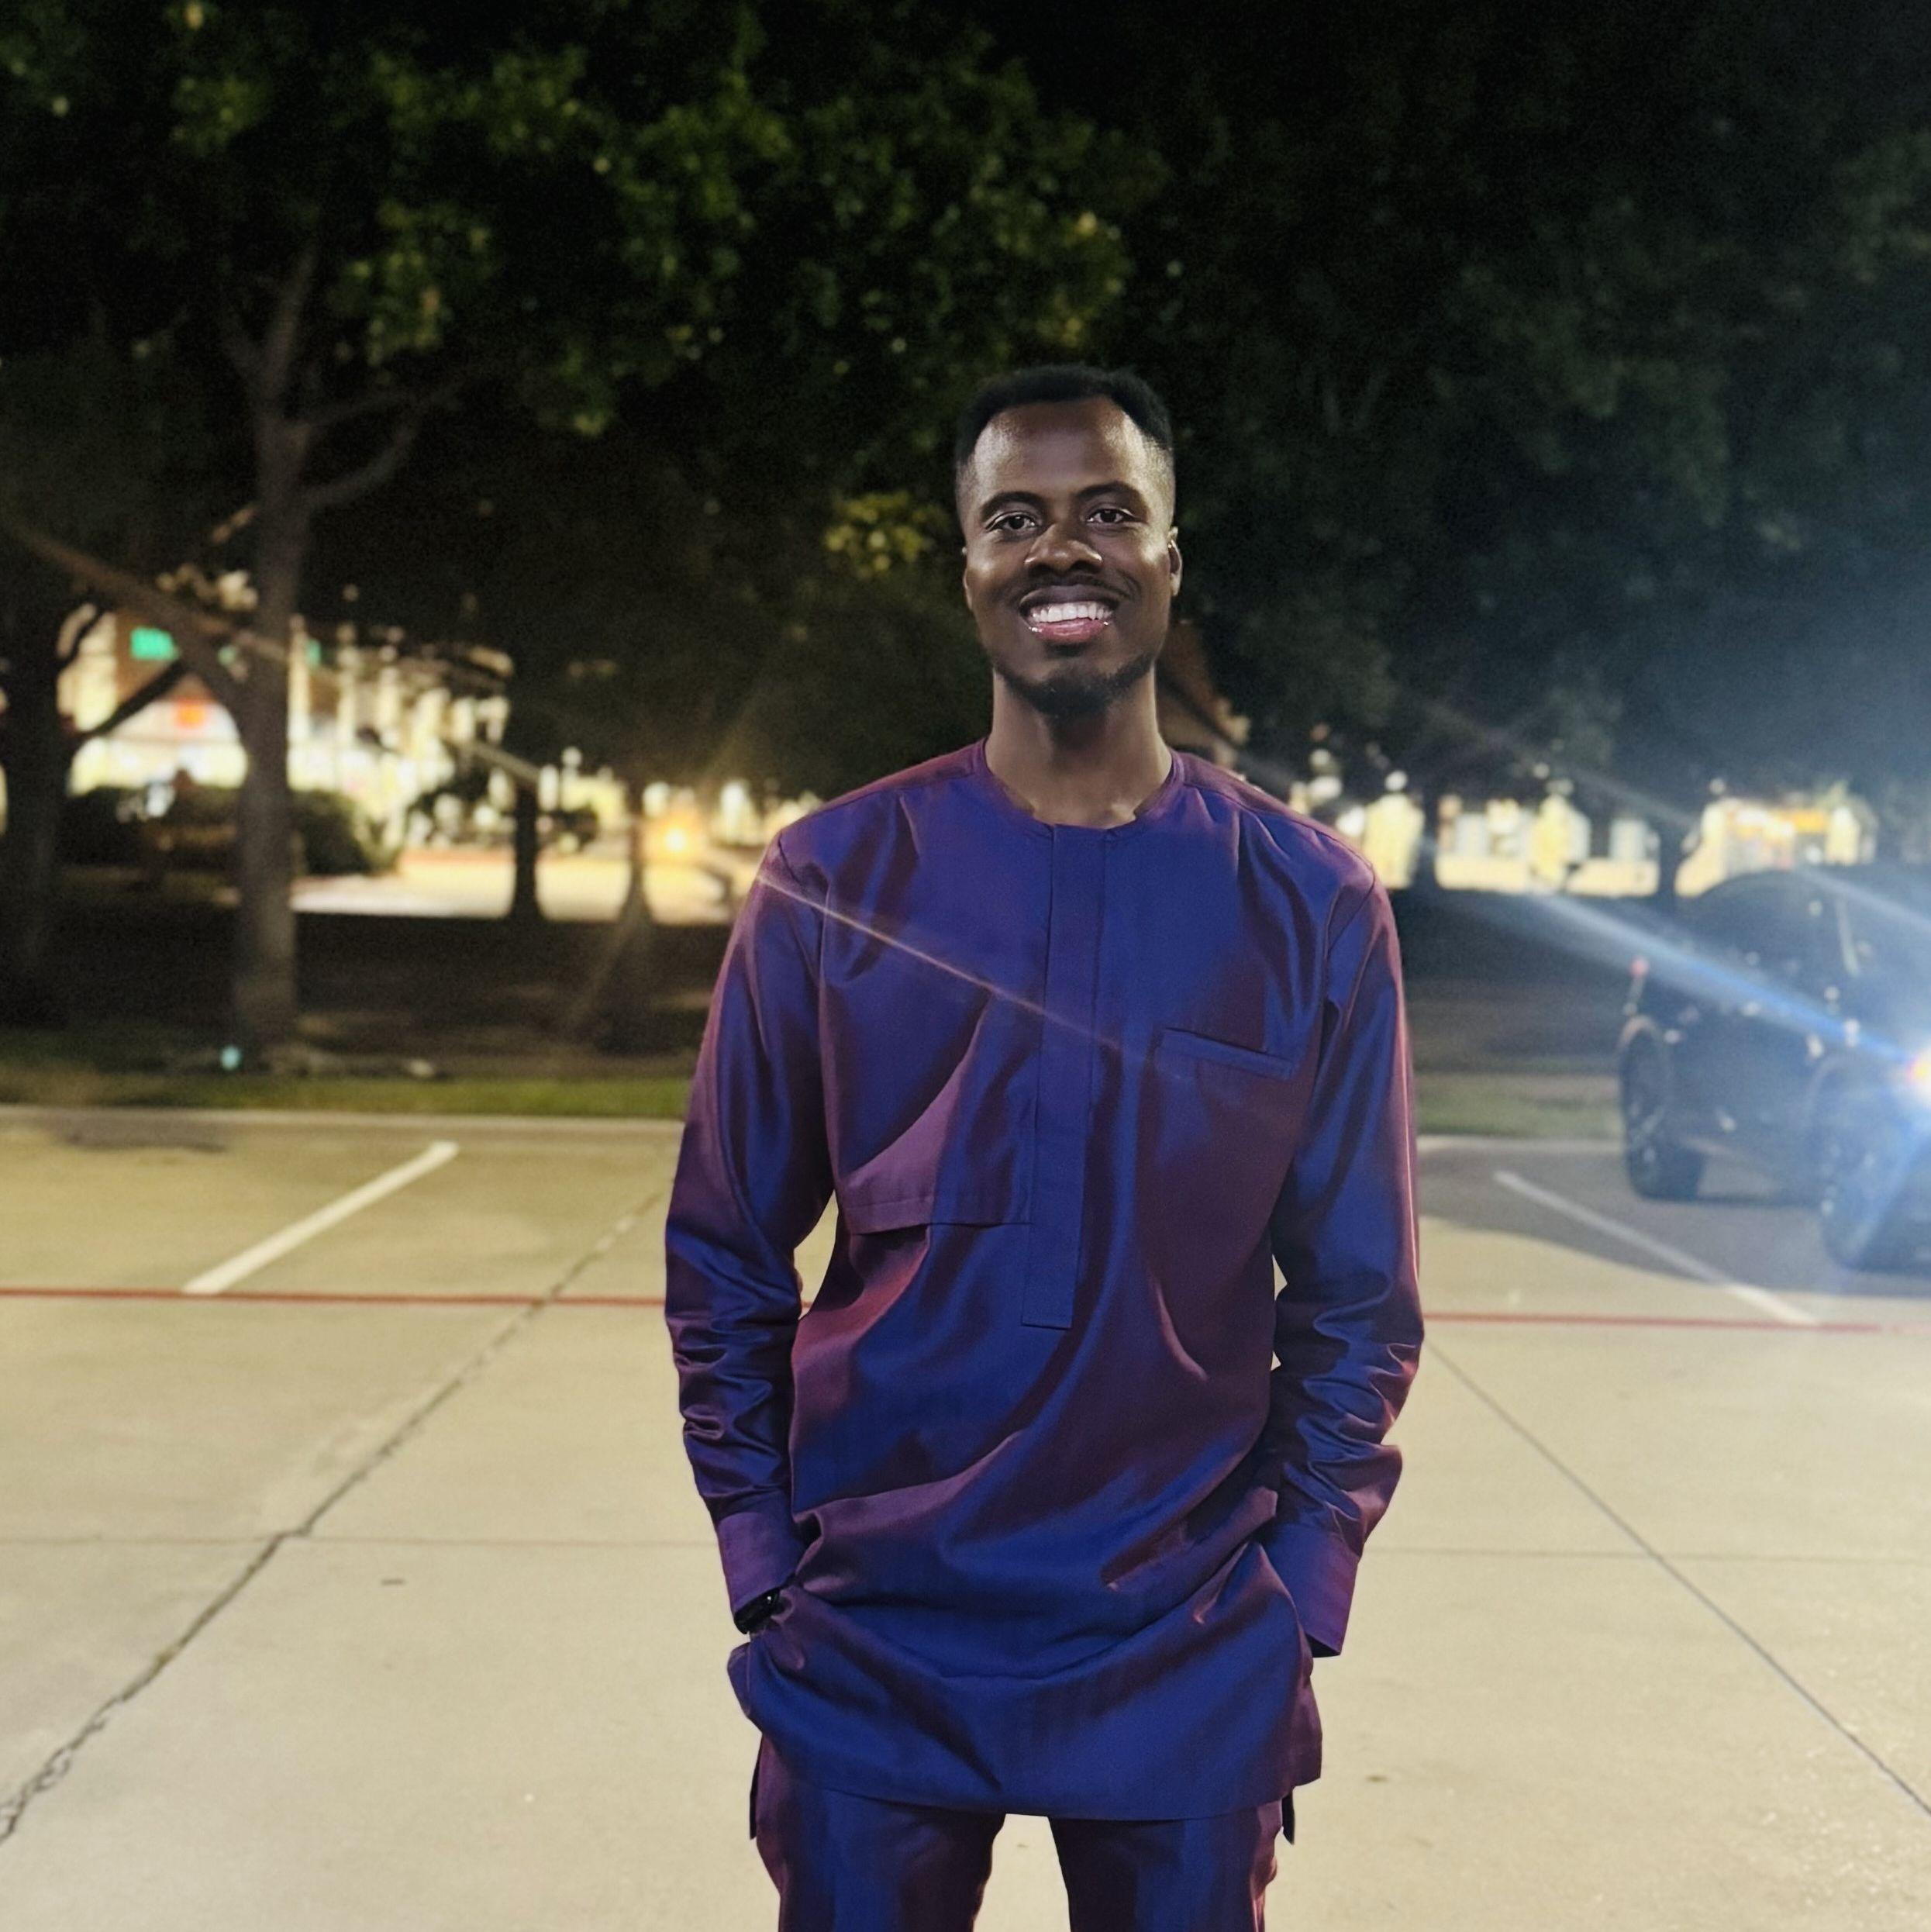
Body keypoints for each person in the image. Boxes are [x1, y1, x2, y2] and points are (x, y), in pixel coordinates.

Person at [664, 364, 1422, 1930]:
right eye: (1012, 519)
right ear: (966, 569)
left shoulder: (1307, 901)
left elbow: (1360, 1299)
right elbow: (725, 1249)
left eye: (1107, 512)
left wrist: (1297, 1582)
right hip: (874, 1631)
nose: (1059, 549)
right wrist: (762, 1552)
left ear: (1169, 558)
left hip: (1184, 1637)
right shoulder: (831, 879)